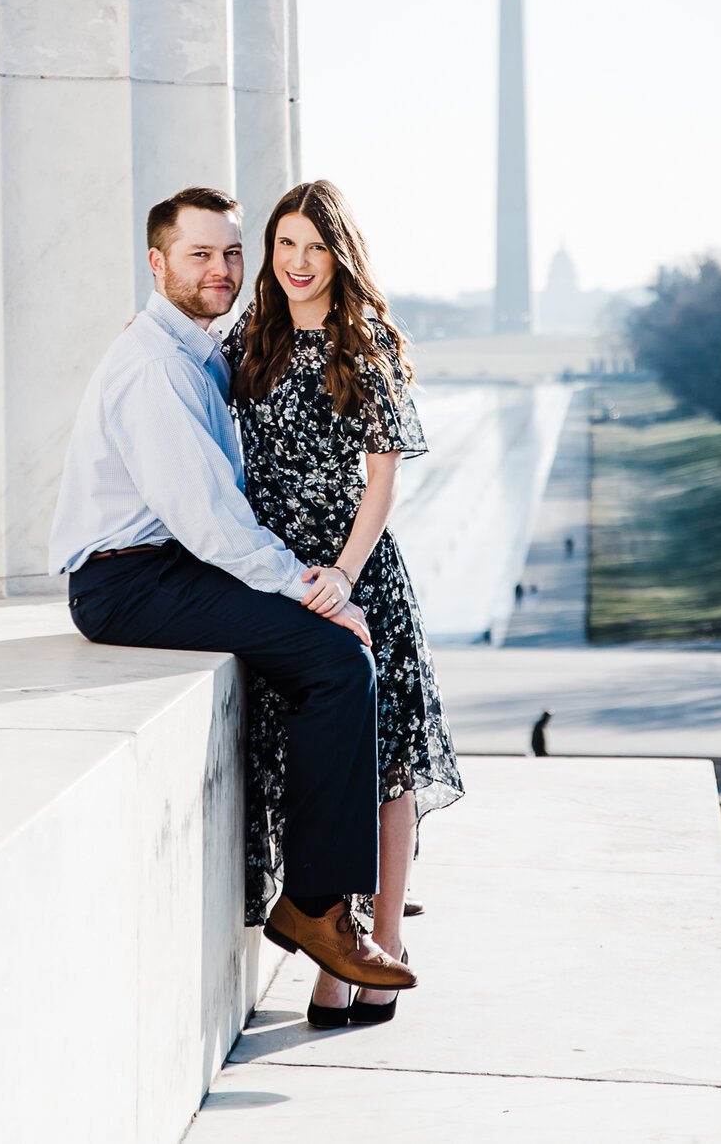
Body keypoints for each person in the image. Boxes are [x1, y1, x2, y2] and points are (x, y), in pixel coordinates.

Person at [51, 186, 415, 999]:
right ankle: (316, 907)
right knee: (334, 659)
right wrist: (310, 587)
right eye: (198, 254)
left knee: (333, 663)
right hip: (128, 579)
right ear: (157, 263)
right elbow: (209, 519)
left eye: (229, 253)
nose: (221, 269)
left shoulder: (194, 347)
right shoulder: (155, 367)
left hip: (166, 565)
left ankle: (327, 891)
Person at [227, 178, 460, 1029]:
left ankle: (376, 953)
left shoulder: (363, 346)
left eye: (314, 248)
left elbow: (383, 477)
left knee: (387, 767)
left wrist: (343, 576)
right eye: (285, 244)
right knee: (310, 764)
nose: (297, 262)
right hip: (278, 573)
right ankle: (333, 951)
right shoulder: (250, 339)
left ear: (340, 256)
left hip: (354, 577)